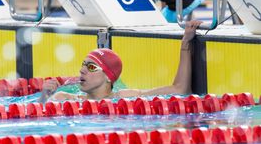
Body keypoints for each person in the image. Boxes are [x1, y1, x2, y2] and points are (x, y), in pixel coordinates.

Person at [40, 20, 202, 102]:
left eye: (91, 67)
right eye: (83, 65)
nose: (82, 70)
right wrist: (44, 96)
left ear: (109, 77)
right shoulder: (64, 98)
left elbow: (180, 90)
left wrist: (186, 43)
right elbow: (39, 115)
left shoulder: (125, 97)